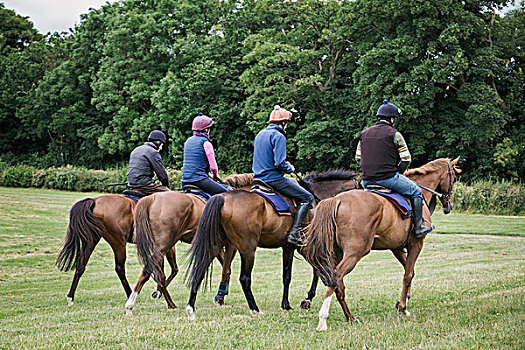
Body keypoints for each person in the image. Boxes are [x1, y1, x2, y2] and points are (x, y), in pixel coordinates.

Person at [355, 100, 434, 238]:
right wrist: (399, 172)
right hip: (387, 178)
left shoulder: (364, 134)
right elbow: (406, 159)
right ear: (391, 119)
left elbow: (357, 157)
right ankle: (419, 227)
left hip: (366, 181)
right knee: (416, 191)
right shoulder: (395, 134)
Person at [253, 105, 314, 246]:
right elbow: (279, 163)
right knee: (307, 197)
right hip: (273, 179)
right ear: (283, 123)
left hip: (258, 179)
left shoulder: (260, 134)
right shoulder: (278, 136)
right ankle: (295, 233)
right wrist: (289, 168)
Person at [181, 113, 229, 195]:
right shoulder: (206, 143)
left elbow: (195, 165)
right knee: (227, 194)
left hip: (185, 181)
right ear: (206, 130)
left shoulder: (188, 141)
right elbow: (213, 167)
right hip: (199, 181)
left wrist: (208, 174)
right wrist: (215, 176)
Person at [127, 130, 170, 195]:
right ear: (158, 142)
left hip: (132, 184)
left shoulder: (136, 149)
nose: (161, 148)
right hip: (145, 185)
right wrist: (165, 185)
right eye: (162, 144)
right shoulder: (153, 152)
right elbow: (162, 174)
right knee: (171, 194)